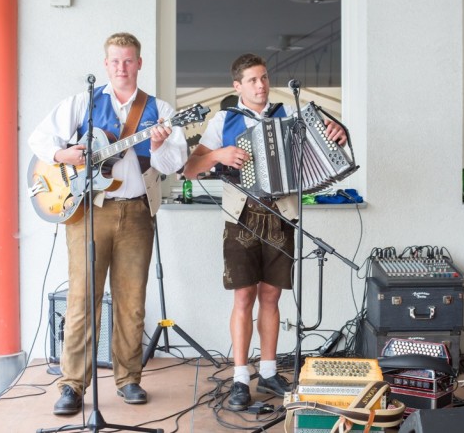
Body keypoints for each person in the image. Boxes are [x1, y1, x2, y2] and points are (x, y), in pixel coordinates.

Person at [28, 32, 188, 415]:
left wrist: (159, 144)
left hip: (136, 212)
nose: (122, 67)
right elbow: (39, 138)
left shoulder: (160, 110)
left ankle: (129, 379)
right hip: (89, 211)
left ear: (139, 63)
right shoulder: (83, 102)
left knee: (131, 302)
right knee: (83, 300)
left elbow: (175, 164)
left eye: (129, 60)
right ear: (105, 64)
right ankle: (72, 385)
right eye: (115, 60)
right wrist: (63, 154)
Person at [182, 53, 346, 411]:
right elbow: (190, 168)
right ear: (237, 86)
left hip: (280, 214)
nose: (261, 85)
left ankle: (269, 371)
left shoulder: (288, 115)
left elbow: (328, 146)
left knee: (271, 296)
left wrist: (338, 133)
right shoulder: (224, 119)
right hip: (240, 215)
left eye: (264, 77)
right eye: (253, 80)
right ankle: (241, 377)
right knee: (244, 297)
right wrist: (219, 155)